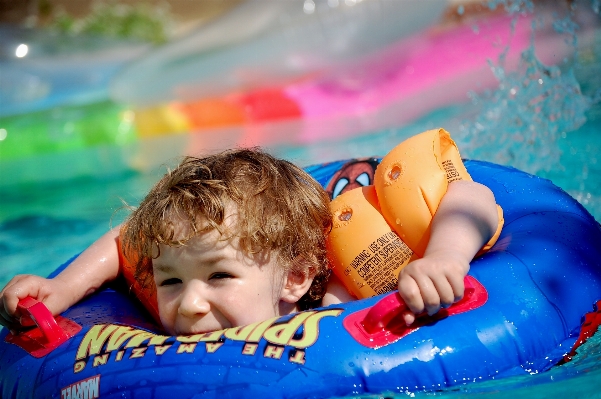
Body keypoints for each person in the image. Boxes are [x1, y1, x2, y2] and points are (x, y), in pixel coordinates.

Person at [0, 145, 500, 335]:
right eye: (170, 281)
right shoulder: (179, 268)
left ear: (295, 276)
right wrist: (62, 289)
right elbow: (126, 240)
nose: (189, 304)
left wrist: (442, 259)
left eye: (219, 275)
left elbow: (470, 196)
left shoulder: (342, 296)